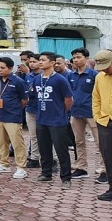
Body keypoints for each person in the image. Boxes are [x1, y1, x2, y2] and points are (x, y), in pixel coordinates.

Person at [32, 52, 73, 189]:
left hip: (57, 120)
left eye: (43, 60)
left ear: (52, 62)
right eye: (39, 60)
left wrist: (60, 112)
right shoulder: (37, 79)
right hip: (42, 119)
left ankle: (66, 178)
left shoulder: (60, 79)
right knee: (44, 149)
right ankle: (46, 173)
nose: (40, 62)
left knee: (61, 150)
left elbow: (68, 100)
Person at [68, 47, 104, 182]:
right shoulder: (70, 75)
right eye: (74, 58)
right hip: (76, 112)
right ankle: (81, 167)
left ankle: (104, 169)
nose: (76, 60)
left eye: (79, 57)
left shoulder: (94, 75)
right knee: (79, 141)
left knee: (100, 142)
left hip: (92, 113)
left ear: (87, 58)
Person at [0, 57, 28, 179]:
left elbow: (24, 100)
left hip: (13, 116)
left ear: (10, 68)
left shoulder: (18, 81)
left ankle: (21, 167)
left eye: (2, 68)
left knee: (17, 143)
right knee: (0, 141)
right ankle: (3, 164)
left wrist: (15, 108)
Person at [91, 50, 112, 201]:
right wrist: (97, 116)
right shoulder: (99, 77)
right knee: (108, 157)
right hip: (105, 122)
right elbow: (96, 98)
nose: (103, 70)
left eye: (106, 66)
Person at [24, 54, 42, 168]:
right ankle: (34, 157)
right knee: (33, 135)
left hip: (44, 109)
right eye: (30, 62)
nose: (31, 64)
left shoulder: (44, 76)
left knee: (47, 136)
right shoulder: (29, 76)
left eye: (34, 61)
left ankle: (53, 159)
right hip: (31, 108)